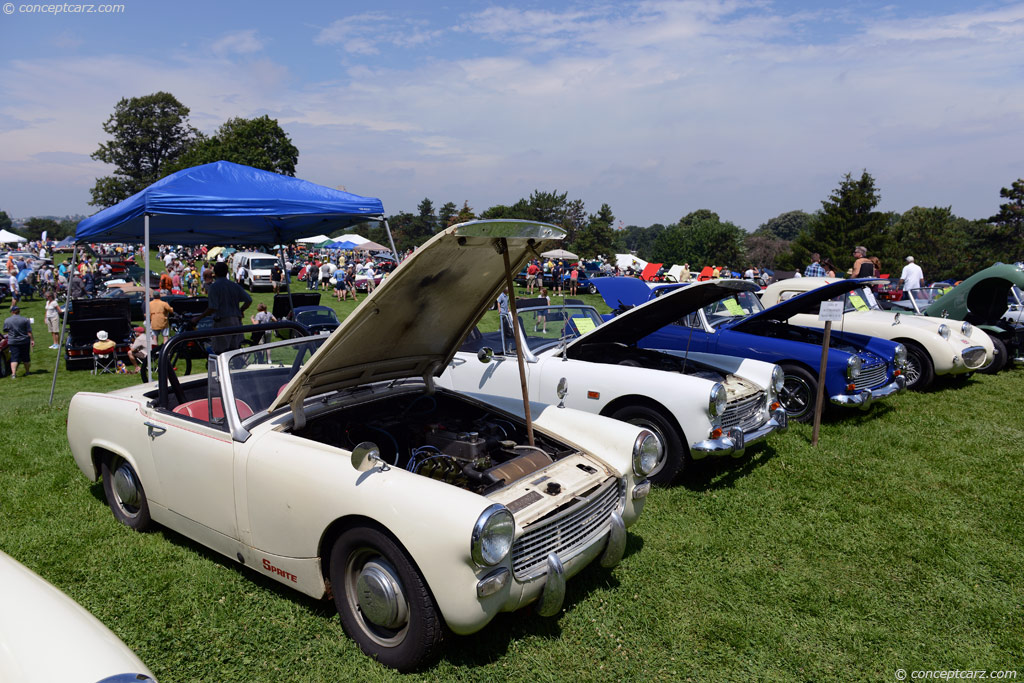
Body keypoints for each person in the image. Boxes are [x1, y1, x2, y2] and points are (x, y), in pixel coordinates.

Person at [195, 261, 252, 354]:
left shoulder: (214, 287)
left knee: (221, 352)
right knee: (235, 351)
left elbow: (213, 308)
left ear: (215, 273)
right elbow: (248, 300)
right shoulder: (234, 285)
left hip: (222, 322)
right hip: (236, 321)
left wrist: (198, 318)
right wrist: (241, 310)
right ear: (226, 272)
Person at [3, 304, 34, 378]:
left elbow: (5, 330)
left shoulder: (7, 320)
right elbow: (29, 332)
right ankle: (27, 372)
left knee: (14, 357)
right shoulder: (25, 320)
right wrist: (32, 340)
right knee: (26, 357)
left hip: (13, 341)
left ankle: (13, 374)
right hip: (24, 340)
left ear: (12, 312)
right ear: (19, 311)